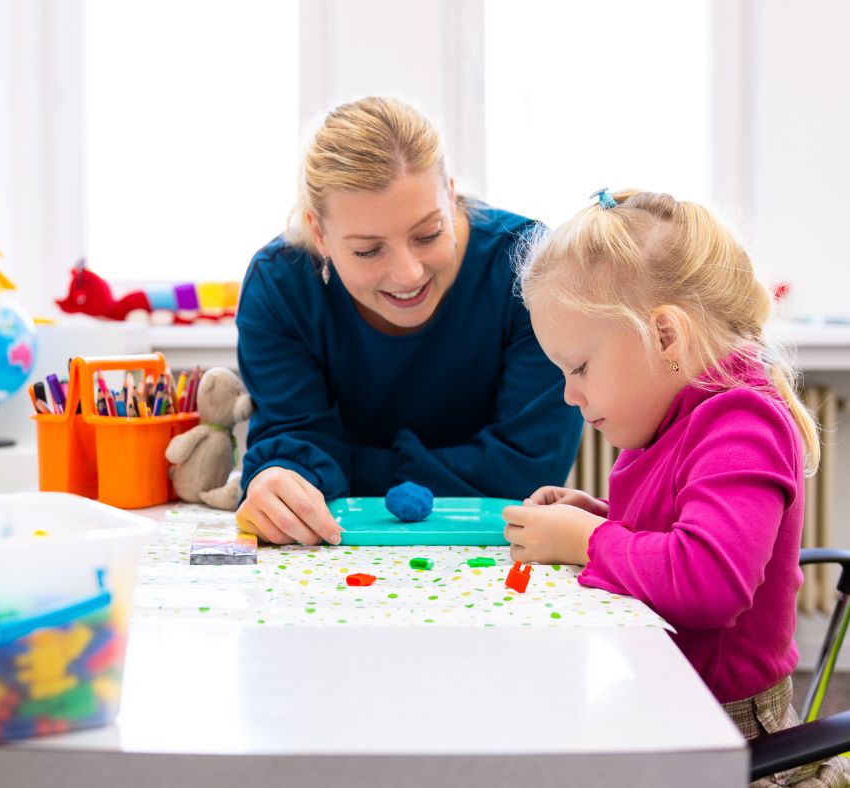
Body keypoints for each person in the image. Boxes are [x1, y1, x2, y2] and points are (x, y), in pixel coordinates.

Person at [505, 188, 849, 786]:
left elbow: (708, 581)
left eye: (579, 367)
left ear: (665, 336)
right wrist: (603, 517)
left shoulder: (742, 421)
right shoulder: (674, 416)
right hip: (667, 708)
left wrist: (589, 541)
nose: (568, 394)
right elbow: (680, 527)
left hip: (732, 744)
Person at [234, 96, 583, 547]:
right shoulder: (279, 287)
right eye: (367, 250)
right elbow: (294, 447)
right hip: (339, 552)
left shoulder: (531, 267)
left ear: (450, 196)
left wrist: (346, 466)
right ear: (318, 233)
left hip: (499, 548)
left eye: (428, 233)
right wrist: (278, 481)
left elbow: (528, 469)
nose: (408, 274)